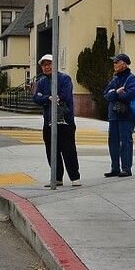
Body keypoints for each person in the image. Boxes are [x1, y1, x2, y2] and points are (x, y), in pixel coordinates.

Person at [32, 54, 80, 187]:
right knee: (51, 150)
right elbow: (36, 97)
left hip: (65, 121)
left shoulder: (64, 79)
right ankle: (57, 177)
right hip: (49, 121)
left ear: (54, 64)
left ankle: (75, 177)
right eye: (44, 65)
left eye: (49, 64)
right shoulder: (41, 82)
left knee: (68, 149)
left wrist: (49, 97)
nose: (46, 67)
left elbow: (64, 96)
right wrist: (48, 98)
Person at [103, 53, 135, 177]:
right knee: (112, 142)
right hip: (113, 115)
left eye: (116, 62)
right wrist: (116, 92)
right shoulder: (114, 79)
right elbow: (106, 95)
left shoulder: (131, 78)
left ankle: (126, 168)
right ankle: (115, 168)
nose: (114, 64)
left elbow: (131, 94)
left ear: (123, 64)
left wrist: (116, 93)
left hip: (126, 116)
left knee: (126, 142)